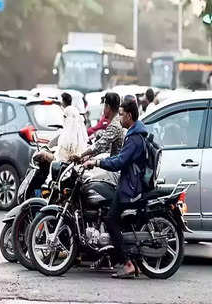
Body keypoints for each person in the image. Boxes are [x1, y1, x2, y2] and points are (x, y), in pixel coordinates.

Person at [83, 96, 148, 279]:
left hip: (130, 187)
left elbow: (119, 161)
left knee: (110, 219)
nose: (119, 119)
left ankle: (126, 263)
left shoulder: (134, 138)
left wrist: (96, 162)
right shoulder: (135, 133)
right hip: (129, 182)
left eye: (121, 115)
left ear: (128, 115)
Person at [77, 92, 123, 160]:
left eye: (104, 106)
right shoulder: (119, 120)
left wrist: (80, 155)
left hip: (116, 165)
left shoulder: (115, 125)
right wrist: (88, 156)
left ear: (108, 107)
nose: (103, 109)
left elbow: (100, 145)